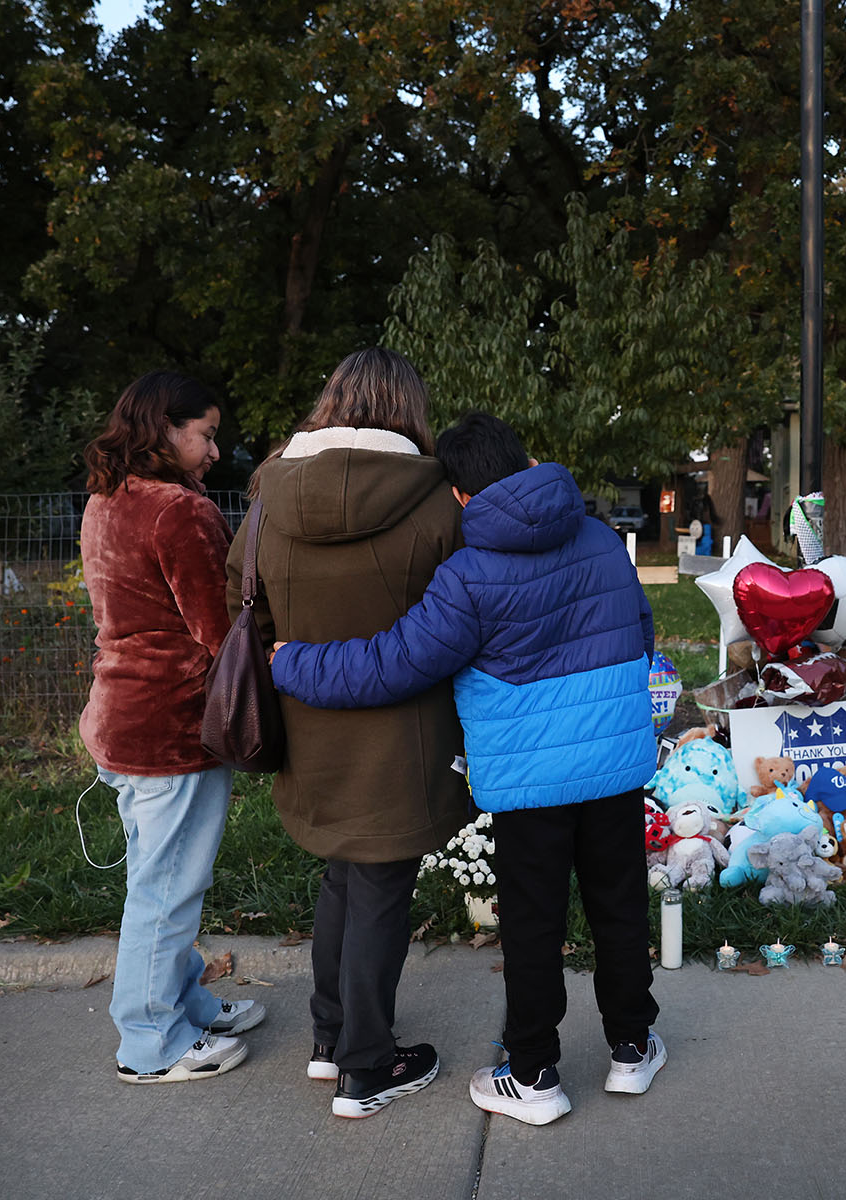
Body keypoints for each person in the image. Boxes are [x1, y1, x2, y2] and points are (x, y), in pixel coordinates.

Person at [269, 412, 662, 1127]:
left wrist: (291, 661)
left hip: (529, 786)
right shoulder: (602, 539)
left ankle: (534, 1073)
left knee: (534, 927)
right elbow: (640, 630)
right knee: (621, 910)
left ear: (457, 495)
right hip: (613, 763)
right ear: (527, 459)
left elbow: (391, 663)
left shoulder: (469, 576)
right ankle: (632, 1048)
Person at [226, 348, 467, 1119]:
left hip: (308, 720)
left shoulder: (268, 491)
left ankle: (330, 1041)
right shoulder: (436, 501)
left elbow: (248, 598)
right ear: (409, 409)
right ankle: (367, 1064)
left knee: (342, 875)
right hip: (408, 734)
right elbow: (468, 614)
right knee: (379, 888)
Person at [79, 371, 265, 1084]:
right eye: (207, 434)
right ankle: (150, 1042)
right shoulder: (179, 512)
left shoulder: (106, 499)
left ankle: (182, 1001)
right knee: (166, 888)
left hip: (121, 717)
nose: (215, 450)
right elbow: (220, 632)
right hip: (170, 728)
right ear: (166, 429)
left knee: (158, 879)